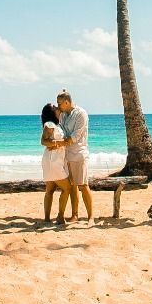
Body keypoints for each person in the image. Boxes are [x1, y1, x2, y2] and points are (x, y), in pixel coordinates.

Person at [56, 89, 92, 222]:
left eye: (59, 103)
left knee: (83, 185)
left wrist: (57, 143)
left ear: (66, 102)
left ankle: (91, 217)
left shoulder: (81, 114)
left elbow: (75, 136)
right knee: (72, 186)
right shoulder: (63, 115)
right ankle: (75, 215)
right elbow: (61, 131)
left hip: (79, 154)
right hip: (67, 155)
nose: (58, 106)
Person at [40, 102, 71, 223]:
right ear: (51, 112)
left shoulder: (56, 125)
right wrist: (58, 143)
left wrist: (56, 144)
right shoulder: (50, 124)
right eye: (55, 107)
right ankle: (60, 216)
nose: (57, 108)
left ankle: (47, 218)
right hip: (53, 161)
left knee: (50, 190)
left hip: (52, 160)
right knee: (67, 188)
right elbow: (43, 141)